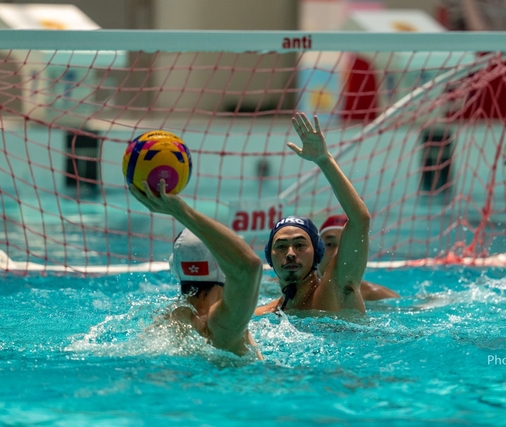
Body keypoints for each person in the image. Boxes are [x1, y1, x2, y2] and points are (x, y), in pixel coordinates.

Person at [129, 179, 263, 358]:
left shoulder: (167, 319)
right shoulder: (223, 324)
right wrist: (180, 211)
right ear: (225, 267)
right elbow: (250, 267)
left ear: (175, 268)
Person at [255, 112, 371, 316]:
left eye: (300, 245)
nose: (291, 253)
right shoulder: (263, 314)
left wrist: (324, 160)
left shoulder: (336, 289)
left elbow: (360, 220)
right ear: (269, 258)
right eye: (281, 246)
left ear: (317, 253)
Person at [318, 214, 399, 301]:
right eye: (329, 244)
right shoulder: (306, 291)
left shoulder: (380, 297)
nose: (336, 253)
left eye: (347, 246)